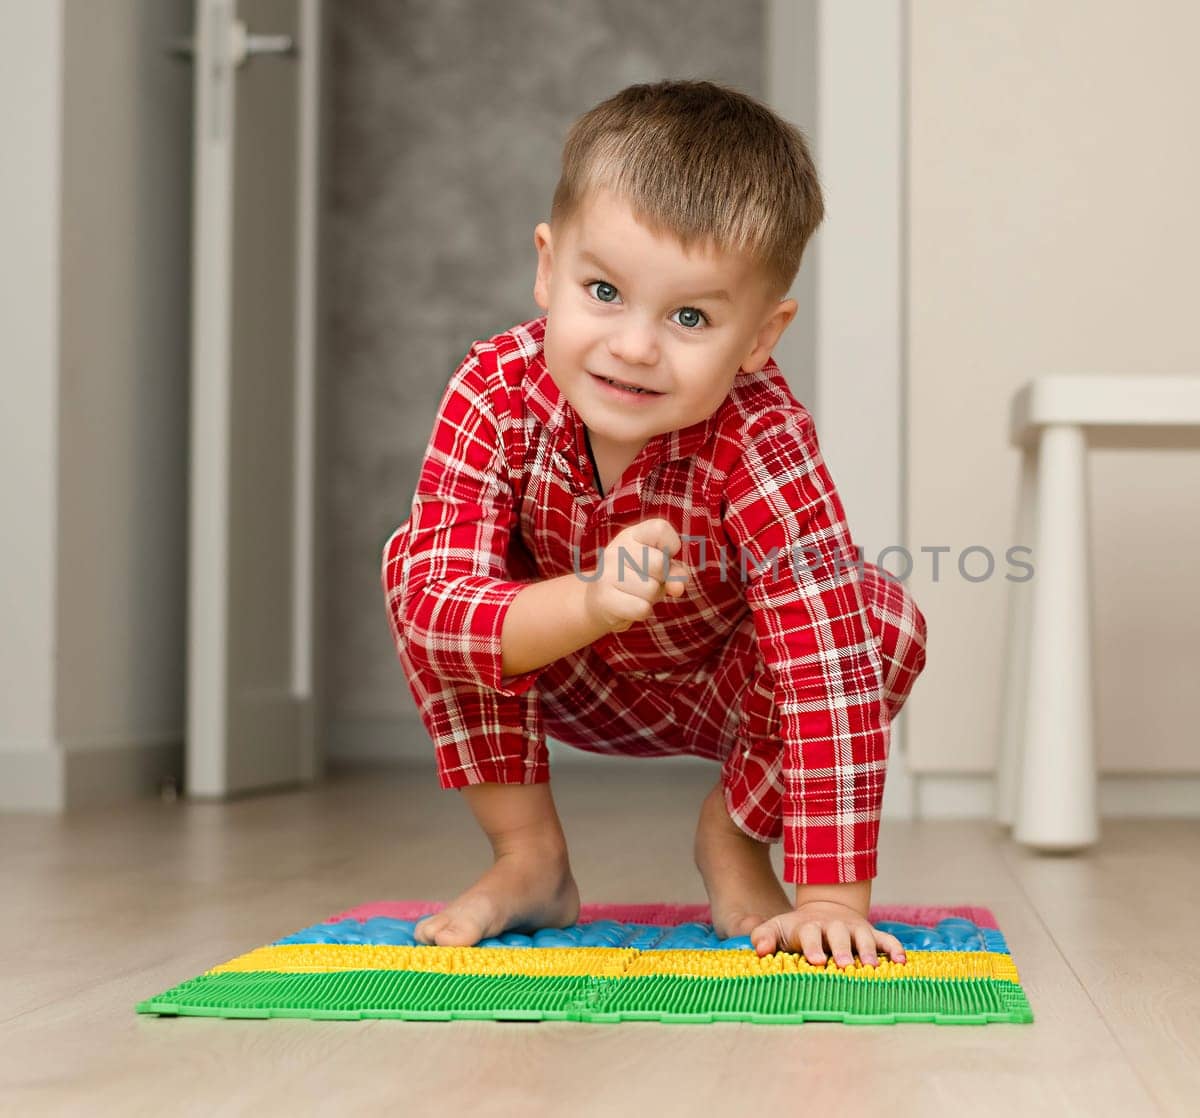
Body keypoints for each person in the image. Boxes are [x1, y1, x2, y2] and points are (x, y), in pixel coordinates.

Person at [380, 79, 927, 969]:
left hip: (723, 691)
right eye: (602, 290)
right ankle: (529, 860)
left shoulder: (764, 436)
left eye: (689, 317)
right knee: (415, 567)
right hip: (553, 670)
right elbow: (440, 611)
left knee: (876, 617)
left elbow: (825, 654)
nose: (635, 347)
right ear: (547, 270)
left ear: (759, 338)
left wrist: (831, 897)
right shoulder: (492, 391)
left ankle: (734, 838)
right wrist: (591, 601)